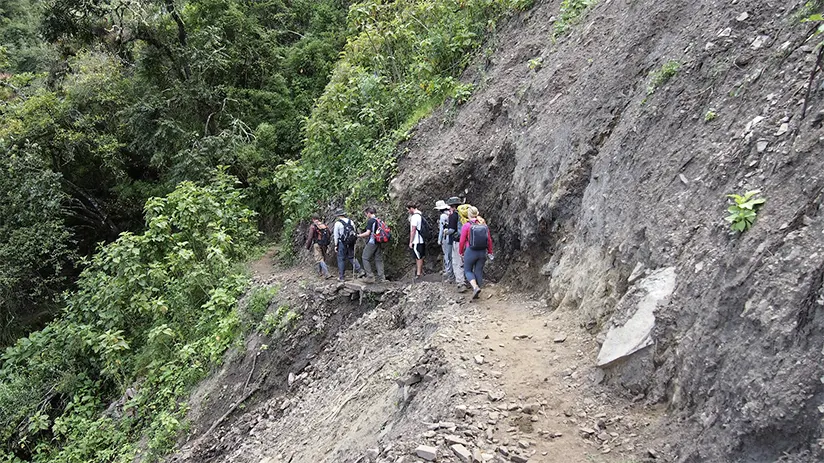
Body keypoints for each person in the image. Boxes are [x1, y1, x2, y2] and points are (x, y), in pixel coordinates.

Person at [459, 206, 493, 299]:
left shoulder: (466, 225)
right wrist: (490, 252)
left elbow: (462, 241)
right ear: (477, 214)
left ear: (468, 215)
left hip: (471, 251)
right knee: (478, 270)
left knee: (468, 270)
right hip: (482, 252)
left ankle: (475, 287)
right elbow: (489, 240)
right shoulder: (483, 224)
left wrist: (461, 252)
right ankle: (480, 291)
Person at [333, 209, 365, 282]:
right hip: (351, 242)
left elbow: (336, 235)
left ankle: (341, 277)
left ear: (338, 216)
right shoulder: (351, 222)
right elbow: (354, 231)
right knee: (351, 256)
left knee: (341, 258)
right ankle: (360, 270)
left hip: (342, 243)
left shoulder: (337, 223)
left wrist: (336, 245)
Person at [358, 206, 386, 283]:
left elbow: (367, 233)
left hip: (372, 242)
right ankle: (381, 277)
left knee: (365, 257)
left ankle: (370, 276)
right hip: (379, 242)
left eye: (366, 214)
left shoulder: (371, 221)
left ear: (369, 213)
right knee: (378, 259)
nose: (366, 215)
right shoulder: (379, 220)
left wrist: (358, 235)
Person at [445, 196, 467, 292]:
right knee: (467, 261)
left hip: (458, 241)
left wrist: (445, 231)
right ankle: (471, 280)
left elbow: (452, 230)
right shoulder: (465, 214)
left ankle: (461, 283)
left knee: (457, 262)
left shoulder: (454, 215)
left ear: (452, 206)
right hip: (469, 241)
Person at [305, 214, 331, 279]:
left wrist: (308, 246)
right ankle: (320, 272)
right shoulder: (324, 225)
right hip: (324, 244)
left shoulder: (313, 226)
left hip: (317, 244)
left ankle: (326, 273)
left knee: (319, 259)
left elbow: (310, 237)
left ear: (313, 219)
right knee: (322, 258)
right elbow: (329, 233)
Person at [435, 200, 453, 283]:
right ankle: (449, 271)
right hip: (452, 236)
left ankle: (449, 273)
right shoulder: (450, 213)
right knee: (450, 254)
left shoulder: (443, 216)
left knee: (446, 255)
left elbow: (441, 229)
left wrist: (439, 239)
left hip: (446, 237)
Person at [407, 203, 425, 281]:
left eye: (408, 210)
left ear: (411, 208)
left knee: (418, 257)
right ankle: (420, 272)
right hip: (422, 239)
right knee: (420, 256)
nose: (408, 212)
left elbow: (413, 230)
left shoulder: (414, 217)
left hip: (417, 240)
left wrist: (411, 241)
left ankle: (418, 274)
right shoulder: (420, 215)